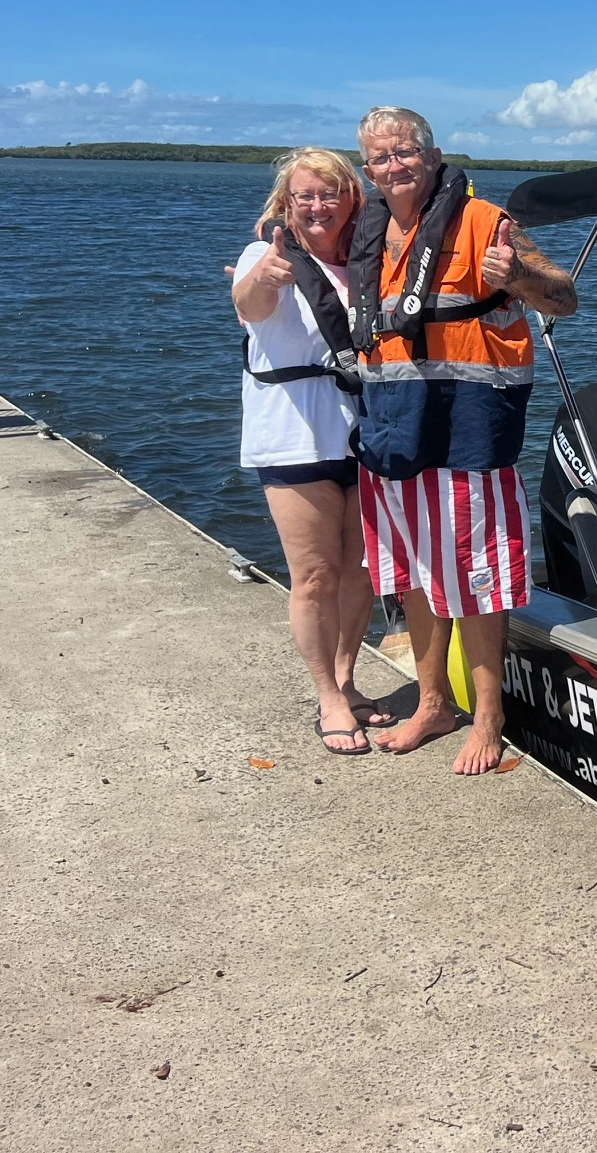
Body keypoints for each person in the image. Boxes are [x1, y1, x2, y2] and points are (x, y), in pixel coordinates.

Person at [348, 106, 577, 774]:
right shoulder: (370, 232)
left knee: (477, 574)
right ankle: (432, 703)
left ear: (433, 153)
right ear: (369, 169)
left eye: (406, 152)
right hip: (392, 423)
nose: (395, 165)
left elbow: (564, 297)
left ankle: (488, 716)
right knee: (415, 574)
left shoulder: (484, 221)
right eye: (382, 157)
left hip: (469, 425)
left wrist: (520, 278)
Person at [232, 147, 391, 756]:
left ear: (352, 198)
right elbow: (248, 306)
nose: (319, 206)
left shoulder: (366, 263)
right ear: (287, 202)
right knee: (315, 574)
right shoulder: (264, 256)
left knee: (361, 570)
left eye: (331, 194)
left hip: (362, 429)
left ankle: (348, 679)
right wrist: (263, 279)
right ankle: (326, 696)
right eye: (306, 196)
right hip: (292, 435)